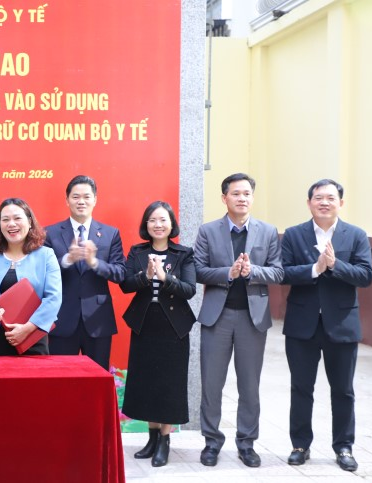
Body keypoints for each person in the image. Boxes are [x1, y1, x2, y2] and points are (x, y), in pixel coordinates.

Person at [280, 179, 372, 471]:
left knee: (343, 390)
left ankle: (343, 446)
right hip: (302, 325)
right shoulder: (294, 235)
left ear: (340, 203)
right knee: (301, 388)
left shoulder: (355, 235)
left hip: (342, 325)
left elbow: (366, 275)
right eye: (318, 197)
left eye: (330, 198)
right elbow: (283, 273)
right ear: (309, 202)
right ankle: (300, 445)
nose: (324, 202)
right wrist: (314, 269)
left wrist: (334, 265)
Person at [193, 173, 283, 468]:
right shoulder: (208, 231)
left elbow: (278, 272)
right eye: (236, 193)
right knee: (212, 383)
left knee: (249, 385)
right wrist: (227, 273)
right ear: (224, 198)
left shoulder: (267, 231)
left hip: (252, 319)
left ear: (252, 198)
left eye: (247, 193)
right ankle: (211, 442)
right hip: (217, 318)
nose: (242, 198)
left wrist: (252, 271)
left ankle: (246, 443)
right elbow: (198, 270)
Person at [119, 201, 196, 467]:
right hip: (145, 326)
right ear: (146, 225)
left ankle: (164, 441)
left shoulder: (184, 253)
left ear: (171, 224)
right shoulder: (137, 251)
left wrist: (165, 278)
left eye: (163, 220)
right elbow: (125, 285)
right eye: (152, 220)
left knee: (168, 386)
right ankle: (151, 439)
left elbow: (189, 290)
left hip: (173, 328)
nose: (158, 225)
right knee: (147, 384)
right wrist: (146, 275)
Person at [44, 175, 125, 370]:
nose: (81, 201)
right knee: (60, 378)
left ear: (95, 199)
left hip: (98, 320)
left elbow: (120, 272)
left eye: (87, 197)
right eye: (76, 197)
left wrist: (94, 262)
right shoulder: (50, 233)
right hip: (61, 319)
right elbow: (42, 273)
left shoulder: (110, 233)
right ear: (67, 200)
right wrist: (67, 259)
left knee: (97, 378)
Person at [0, 198, 62, 355]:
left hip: (32, 336)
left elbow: (53, 298)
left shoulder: (46, 255)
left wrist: (27, 329)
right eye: (5, 220)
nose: (11, 224)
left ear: (29, 222)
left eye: (17, 218)